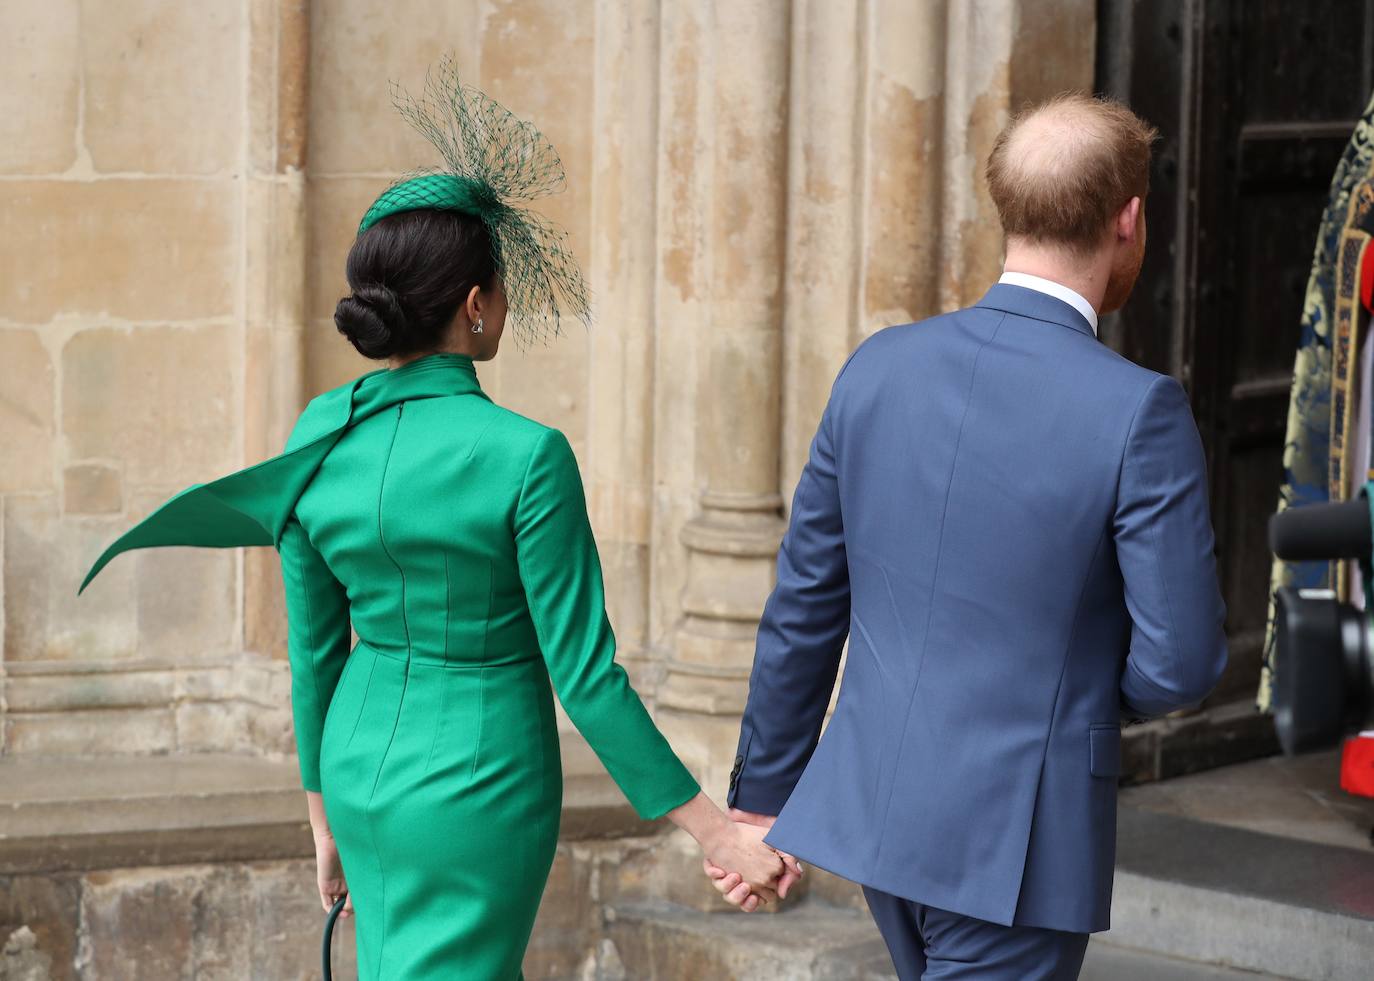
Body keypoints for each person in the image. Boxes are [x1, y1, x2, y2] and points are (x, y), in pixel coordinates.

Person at [79, 61, 793, 980]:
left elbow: (314, 650)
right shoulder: (527, 453)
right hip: (477, 782)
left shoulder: (316, 434)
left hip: (357, 767)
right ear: (474, 305)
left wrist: (323, 818)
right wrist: (713, 831)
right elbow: (586, 677)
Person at [705, 93, 1229, 980]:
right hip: (1018, 834)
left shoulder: (878, 366)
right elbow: (1180, 661)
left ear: (1007, 208)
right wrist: (1070, 700)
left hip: (880, 814)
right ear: (1129, 220)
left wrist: (759, 801)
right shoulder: (1140, 409)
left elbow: (803, 607)